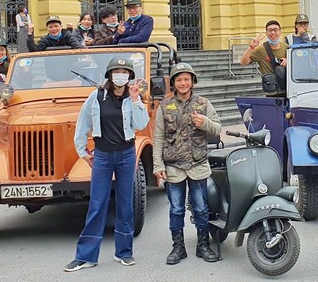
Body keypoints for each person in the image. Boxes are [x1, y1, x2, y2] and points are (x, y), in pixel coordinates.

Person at [65, 58, 149, 271]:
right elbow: (83, 124)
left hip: (126, 154)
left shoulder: (132, 99)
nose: (120, 75)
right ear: (110, 74)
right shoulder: (96, 96)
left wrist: (137, 99)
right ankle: (86, 256)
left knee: (125, 204)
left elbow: (141, 124)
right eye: (116, 71)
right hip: (102, 155)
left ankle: (124, 252)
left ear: (129, 76)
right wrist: (82, 152)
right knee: (97, 204)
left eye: (124, 72)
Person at [153, 62, 221, 265]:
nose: (183, 83)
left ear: (192, 82)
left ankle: (203, 245)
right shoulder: (165, 106)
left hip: (197, 164)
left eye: (186, 79)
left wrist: (204, 123)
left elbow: (217, 128)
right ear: (173, 83)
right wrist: (158, 166)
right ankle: (178, 247)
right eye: (179, 79)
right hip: (173, 166)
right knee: (176, 209)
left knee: (201, 208)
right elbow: (158, 138)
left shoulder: (203, 103)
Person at [239, 21, 288, 94]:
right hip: (271, 91)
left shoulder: (287, 47)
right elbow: (243, 62)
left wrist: (288, 61)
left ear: (280, 32)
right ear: (266, 33)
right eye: (270, 30)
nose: (273, 33)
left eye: (275, 30)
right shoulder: (261, 49)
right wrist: (251, 47)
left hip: (287, 89)